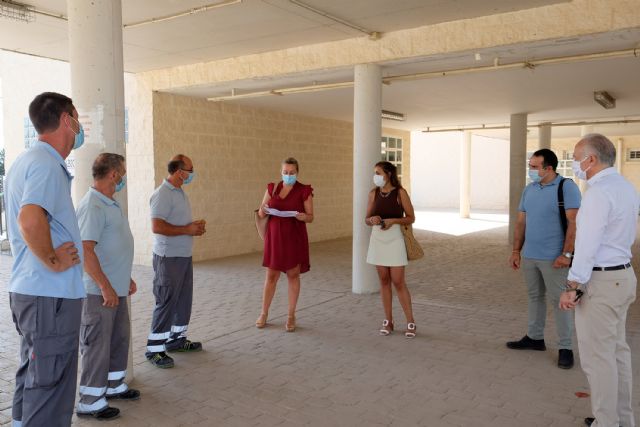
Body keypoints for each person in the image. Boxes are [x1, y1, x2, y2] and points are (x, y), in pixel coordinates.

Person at [5, 92, 85, 426]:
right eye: (78, 119)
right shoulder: (46, 163)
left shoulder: (27, 160)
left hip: (35, 293)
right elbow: (29, 219)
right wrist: (54, 260)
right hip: (49, 295)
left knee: (35, 377)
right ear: (66, 120)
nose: (80, 128)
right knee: (50, 388)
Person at [560, 134, 639, 427]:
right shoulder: (626, 187)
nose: (574, 163)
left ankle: (607, 423)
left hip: (602, 282)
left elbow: (587, 245)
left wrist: (572, 286)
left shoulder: (597, 193)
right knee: (617, 354)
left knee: (598, 359)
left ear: (590, 159)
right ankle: (623, 420)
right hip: (622, 276)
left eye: (575, 157)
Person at [75, 153, 140, 420]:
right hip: (98, 293)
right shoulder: (93, 205)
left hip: (117, 288)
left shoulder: (110, 203)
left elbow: (113, 246)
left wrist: (126, 278)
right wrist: (105, 286)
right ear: (113, 174)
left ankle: (113, 385)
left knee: (118, 339)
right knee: (97, 346)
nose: (123, 177)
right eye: (122, 172)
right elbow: (85, 250)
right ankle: (90, 401)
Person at [506, 149, 581, 369]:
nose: (530, 170)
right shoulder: (529, 189)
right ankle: (535, 338)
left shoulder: (566, 187)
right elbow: (521, 222)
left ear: (548, 168)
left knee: (560, 302)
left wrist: (566, 254)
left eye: (534, 167)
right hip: (530, 256)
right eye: (530, 165)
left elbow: (574, 223)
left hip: (555, 259)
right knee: (534, 297)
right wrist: (516, 251)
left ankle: (565, 347)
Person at [145, 154, 206, 368]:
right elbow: (157, 226)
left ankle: (176, 340)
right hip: (168, 258)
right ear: (180, 172)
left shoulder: (179, 192)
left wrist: (192, 227)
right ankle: (154, 350)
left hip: (183, 256)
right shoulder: (162, 194)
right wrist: (187, 229)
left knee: (182, 301)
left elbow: (177, 223)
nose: (192, 173)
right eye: (190, 169)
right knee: (166, 301)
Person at [255, 157, 314, 332]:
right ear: (281, 172)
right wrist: (263, 210)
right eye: (285, 172)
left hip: (294, 237)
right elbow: (261, 212)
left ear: (297, 172)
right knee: (271, 276)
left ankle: (291, 315)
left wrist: (303, 216)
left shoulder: (304, 190)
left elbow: (311, 216)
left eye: (292, 172)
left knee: (293, 275)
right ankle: (264, 313)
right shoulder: (272, 188)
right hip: (274, 237)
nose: (288, 175)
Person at [365, 161, 417, 338]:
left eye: (378, 173)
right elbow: (366, 218)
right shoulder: (373, 193)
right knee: (384, 280)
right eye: (375, 173)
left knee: (398, 281)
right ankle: (388, 320)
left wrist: (393, 220)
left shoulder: (400, 193)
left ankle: (410, 321)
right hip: (377, 239)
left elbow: (411, 217)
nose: (376, 176)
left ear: (388, 174)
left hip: (395, 239)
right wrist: (372, 220)